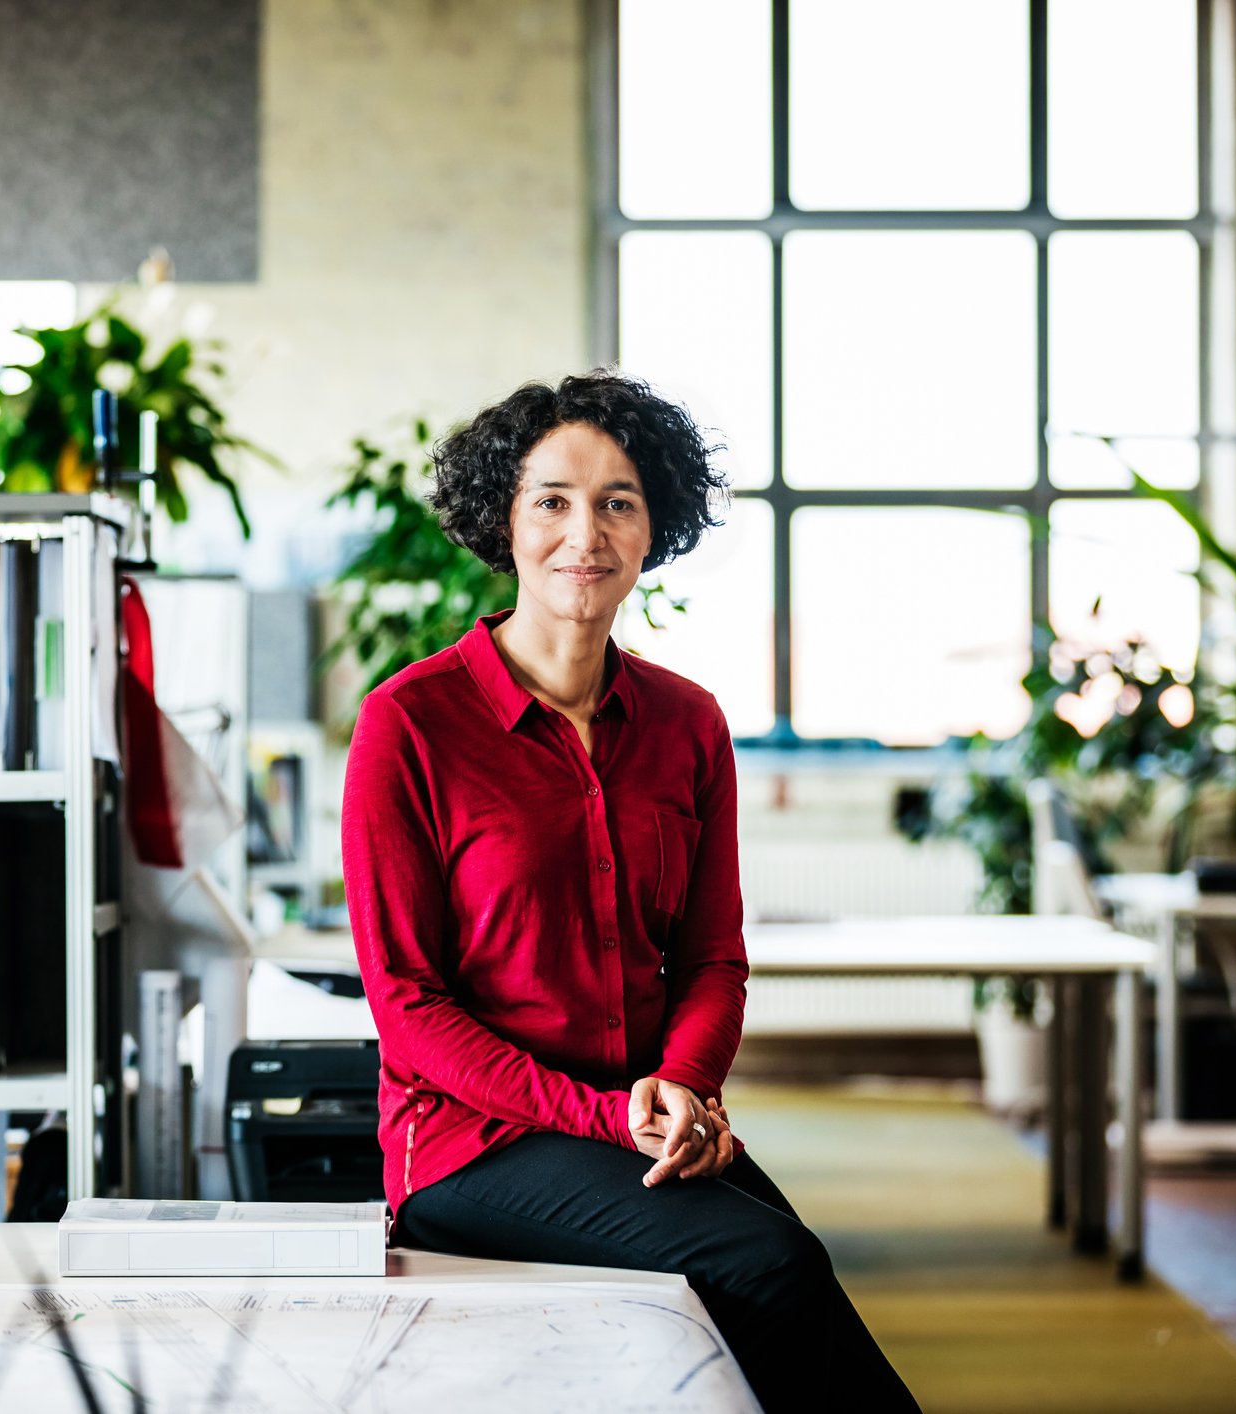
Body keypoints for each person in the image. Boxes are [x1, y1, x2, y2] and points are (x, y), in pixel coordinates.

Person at [340, 370, 919, 1411]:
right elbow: (408, 1007)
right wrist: (614, 1115)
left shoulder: (688, 722)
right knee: (769, 1268)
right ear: (503, 520)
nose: (586, 534)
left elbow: (711, 958)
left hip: (641, 1123)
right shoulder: (411, 722)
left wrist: (686, 1084)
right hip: (474, 1146)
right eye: (552, 501)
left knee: (783, 1263)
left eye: (618, 502)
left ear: (655, 528)